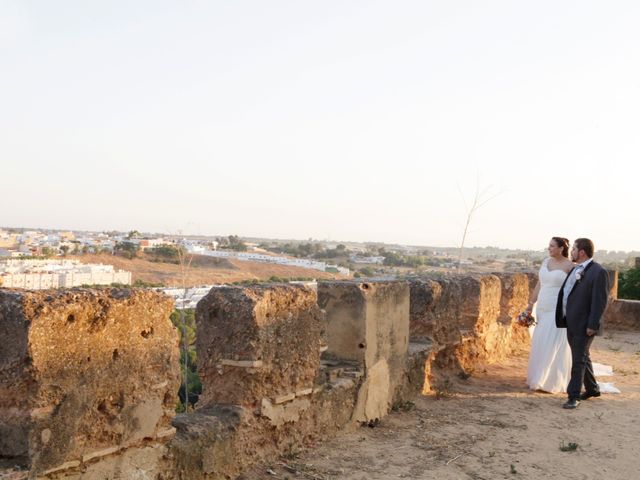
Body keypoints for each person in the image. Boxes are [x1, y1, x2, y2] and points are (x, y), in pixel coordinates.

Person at [555, 238, 610, 409]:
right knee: (583, 355)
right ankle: (592, 388)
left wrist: (592, 325)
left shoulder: (598, 272)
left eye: (573, 249)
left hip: (584, 324)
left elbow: (600, 301)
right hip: (572, 321)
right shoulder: (577, 269)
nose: (571, 252)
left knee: (578, 360)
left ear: (582, 252)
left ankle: (573, 396)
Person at [526, 237, 573, 393]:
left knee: (551, 340)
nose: (549, 248)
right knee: (540, 340)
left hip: (557, 308)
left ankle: (546, 379)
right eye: (549, 246)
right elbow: (540, 283)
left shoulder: (570, 266)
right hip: (542, 307)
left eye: (552, 246)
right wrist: (531, 303)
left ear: (561, 248)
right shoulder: (546, 262)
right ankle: (537, 374)